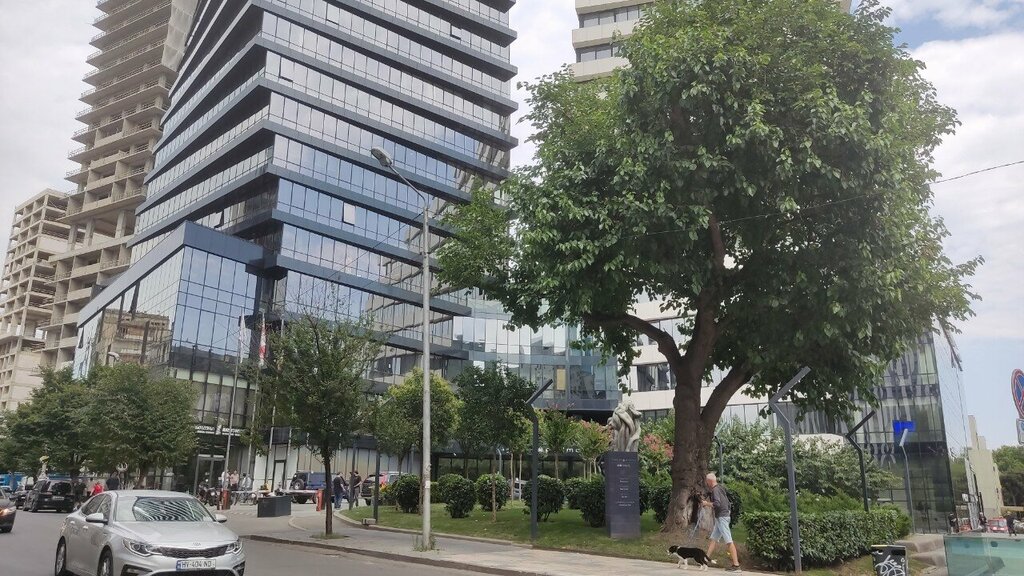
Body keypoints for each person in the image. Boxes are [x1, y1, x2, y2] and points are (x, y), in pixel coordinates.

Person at [704, 473, 740, 572]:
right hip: (722, 516)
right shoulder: (720, 488)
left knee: (728, 540)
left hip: (722, 517)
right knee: (714, 539)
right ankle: (705, 559)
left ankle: (736, 565)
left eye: (707, 481)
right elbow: (727, 502)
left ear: (710, 481)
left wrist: (706, 503)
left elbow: (717, 504)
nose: (706, 483)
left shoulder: (715, 490)